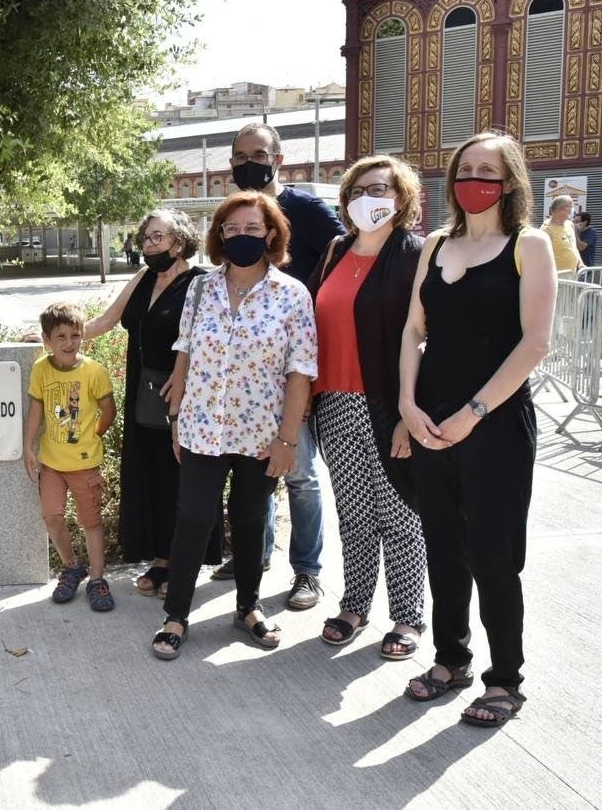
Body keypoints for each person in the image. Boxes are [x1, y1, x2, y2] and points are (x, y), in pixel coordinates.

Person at [398, 131, 555, 727]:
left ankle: (504, 679)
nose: (474, 179)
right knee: (442, 548)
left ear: (510, 181)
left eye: (488, 170)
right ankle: (450, 659)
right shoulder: (436, 243)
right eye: (466, 168)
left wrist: (473, 414)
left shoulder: (529, 245)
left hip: (494, 426)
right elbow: (415, 330)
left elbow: (533, 343)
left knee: (493, 555)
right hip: (432, 420)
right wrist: (410, 404)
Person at [153, 191, 317, 659]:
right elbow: (184, 350)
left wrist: (288, 440)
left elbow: (300, 372)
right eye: (231, 229)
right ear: (219, 237)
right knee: (193, 518)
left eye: (251, 229)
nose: (241, 236)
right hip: (203, 426)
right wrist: (175, 417)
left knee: (249, 520)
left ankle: (247, 607)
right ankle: (176, 615)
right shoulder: (201, 288)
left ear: (270, 234)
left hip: (262, 434)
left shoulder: (292, 295)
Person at [305, 155, 427, 659]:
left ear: (401, 198)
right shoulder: (336, 249)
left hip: (388, 404)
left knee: (399, 512)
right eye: (357, 190)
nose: (367, 198)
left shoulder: (415, 254)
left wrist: (409, 411)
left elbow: (424, 337)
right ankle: (355, 604)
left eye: (379, 188)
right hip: (334, 401)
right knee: (354, 511)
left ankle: (407, 616)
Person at [220, 122, 343, 613]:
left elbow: (343, 252)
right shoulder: (234, 213)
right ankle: (257, 554)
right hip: (248, 372)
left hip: (297, 365)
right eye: (241, 155)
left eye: (259, 153)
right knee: (253, 471)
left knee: (300, 472)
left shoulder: (307, 209)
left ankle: (307, 572)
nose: (249, 162)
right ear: (231, 164)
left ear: (278, 156)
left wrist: (308, 298)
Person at [83, 210, 208, 598]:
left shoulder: (202, 283)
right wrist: (55, 337)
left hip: (180, 394)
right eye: (146, 238)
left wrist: (186, 376)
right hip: (142, 392)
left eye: (158, 236)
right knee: (150, 476)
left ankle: (180, 562)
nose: (151, 244)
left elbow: (214, 340)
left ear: (180, 238)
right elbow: (106, 321)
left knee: (179, 477)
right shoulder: (143, 277)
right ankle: (160, 561)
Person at [23, 302, 117, 611]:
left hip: (85, 464)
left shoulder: (94, 371)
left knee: (91, 523)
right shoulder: (41, 369)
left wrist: (95, 435)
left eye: (75, 335)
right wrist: (28, 447)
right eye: (60, 337)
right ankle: (72, 566)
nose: (68, 343)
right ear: (46, 340)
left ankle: (98, 579)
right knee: (52, 518)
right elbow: (36, 410)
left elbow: (108, 410)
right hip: (52, 463)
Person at [542, 195, 582, 273]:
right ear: (561, 209)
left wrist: (580, 263)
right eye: (570, 207)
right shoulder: (546, 230)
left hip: (571, 277)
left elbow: (573, 247)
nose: (572, 211)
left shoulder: (570, 224)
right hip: (557, 278)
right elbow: (542, 256)